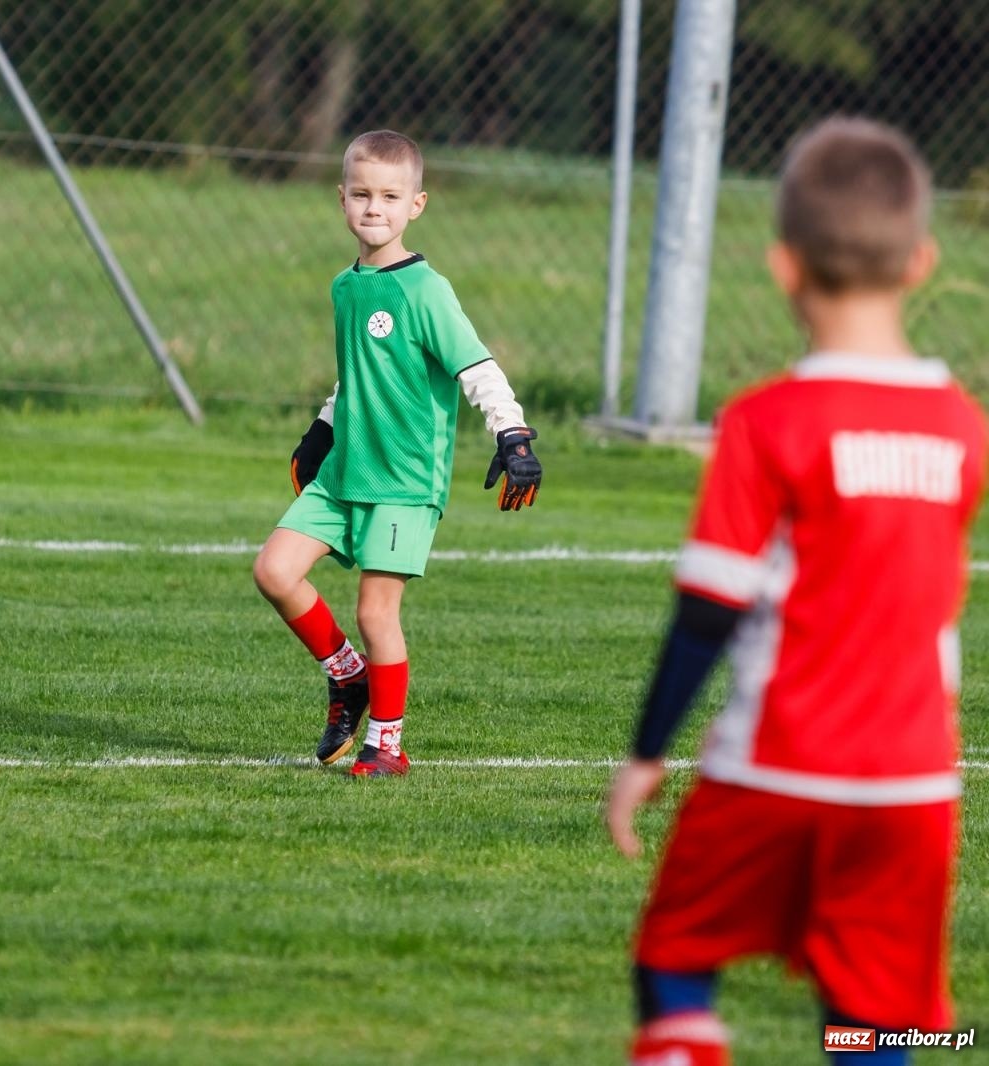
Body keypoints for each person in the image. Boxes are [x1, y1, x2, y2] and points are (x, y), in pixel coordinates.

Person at [606, 116, 987, 1065]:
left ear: (783, 267)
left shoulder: (767, 421)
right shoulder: (963, 429)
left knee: (673, 958)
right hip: (911, 788)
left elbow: (709, 610)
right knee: (875, 1015)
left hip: (775, 767)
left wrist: (648, 754)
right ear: (922, 262)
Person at [252, 129, 541, 777]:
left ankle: (388, 743)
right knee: (274, 571)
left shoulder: (426, 291)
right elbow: (357, 376)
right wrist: (321, 431)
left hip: (404, 483)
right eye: (361, 194)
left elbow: (477, 367)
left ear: (417, 204)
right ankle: (347, 678)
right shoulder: (346, 287)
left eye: (389, 196)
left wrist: (512, 433)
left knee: (375, 609)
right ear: (341, 199)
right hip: (344, 472)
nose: (373, 208)